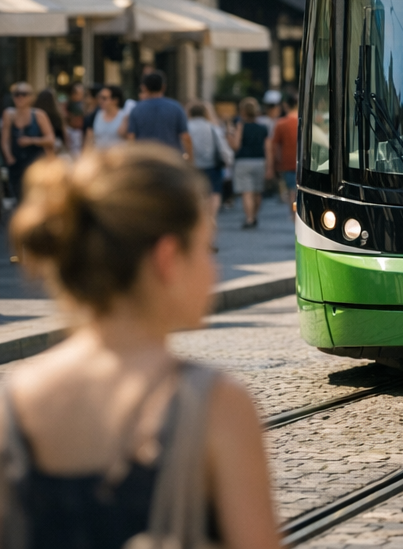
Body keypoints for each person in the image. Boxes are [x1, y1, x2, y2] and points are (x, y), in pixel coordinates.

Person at [1, 145, 281, 549]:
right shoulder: (216, 406)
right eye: (207, 247)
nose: (214, 268)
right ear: (168, 259)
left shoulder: (14, 403)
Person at [2, 83, 55, 201]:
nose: (20, 97)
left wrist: (31, 141)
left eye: (24, 94)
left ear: (31, 97)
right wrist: (9, 157)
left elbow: (51, 139)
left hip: (36, 164)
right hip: (16, 165)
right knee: (20, 198)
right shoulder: (9, 114)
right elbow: (5, 140)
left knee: (36, 199)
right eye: (17, 94)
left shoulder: (39, 115)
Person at [123, 71, 192, 159]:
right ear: (163, 87)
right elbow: (185, 137)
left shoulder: (136, 109)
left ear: (144, 88)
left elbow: (131, 137)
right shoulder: (176, 107)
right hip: (171, 159)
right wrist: (190, 160)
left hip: (145, 159)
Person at [230, 98, 269, 230]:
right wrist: (270, 166)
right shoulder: (263, 128)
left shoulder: (241, 126)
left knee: (247, 191)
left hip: (243, 161)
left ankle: (249, 218)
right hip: (259, 160)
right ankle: (255, 215)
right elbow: (268, 148)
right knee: (258, 191)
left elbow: (236, 145)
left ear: (243, 111)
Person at [187, 102, 232, 215]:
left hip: (193, 165)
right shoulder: (212, 127)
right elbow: (222, 145)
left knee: (196, 191)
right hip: (212, 164)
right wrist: (228, 159)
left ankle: (199, 213)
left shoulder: (186, 127)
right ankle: (212, 215)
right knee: (215, 192)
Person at [268, 93, 299, 211]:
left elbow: (274, 146)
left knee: (292, 191)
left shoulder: (281, 124)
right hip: (305, 162)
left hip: (287, 162)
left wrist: (274, 164)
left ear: (285, 105)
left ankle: (294, 216)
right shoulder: (307, 122)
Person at [32, 90, 66, 158]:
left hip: (39, 150)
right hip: (54, 149)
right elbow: (63, 135)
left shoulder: (35, 115)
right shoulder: (57, 115)